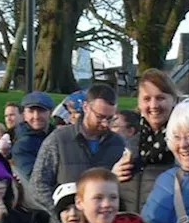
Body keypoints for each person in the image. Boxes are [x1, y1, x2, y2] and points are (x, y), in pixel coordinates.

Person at [31, 84, 127, 212]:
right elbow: (38, 185)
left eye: (110, 118)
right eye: (99, 117)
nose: (105, 123)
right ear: (85, 107)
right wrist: (61, 212)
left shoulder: (119, 143)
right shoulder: (58, 139)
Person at [115, 69, 180, 213]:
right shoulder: (129, 144)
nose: (154, 105)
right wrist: (112, 177)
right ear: (138, 103)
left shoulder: (184, 144)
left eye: (160, 98)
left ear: (174, 100)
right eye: (147, 99)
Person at [10, 91, 54, 184]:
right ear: (24, 115)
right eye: (31, 111)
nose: (36, 116)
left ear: (50, 112)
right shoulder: (22, 145)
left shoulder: (58, 136)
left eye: (41, 111)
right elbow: (34, 178)